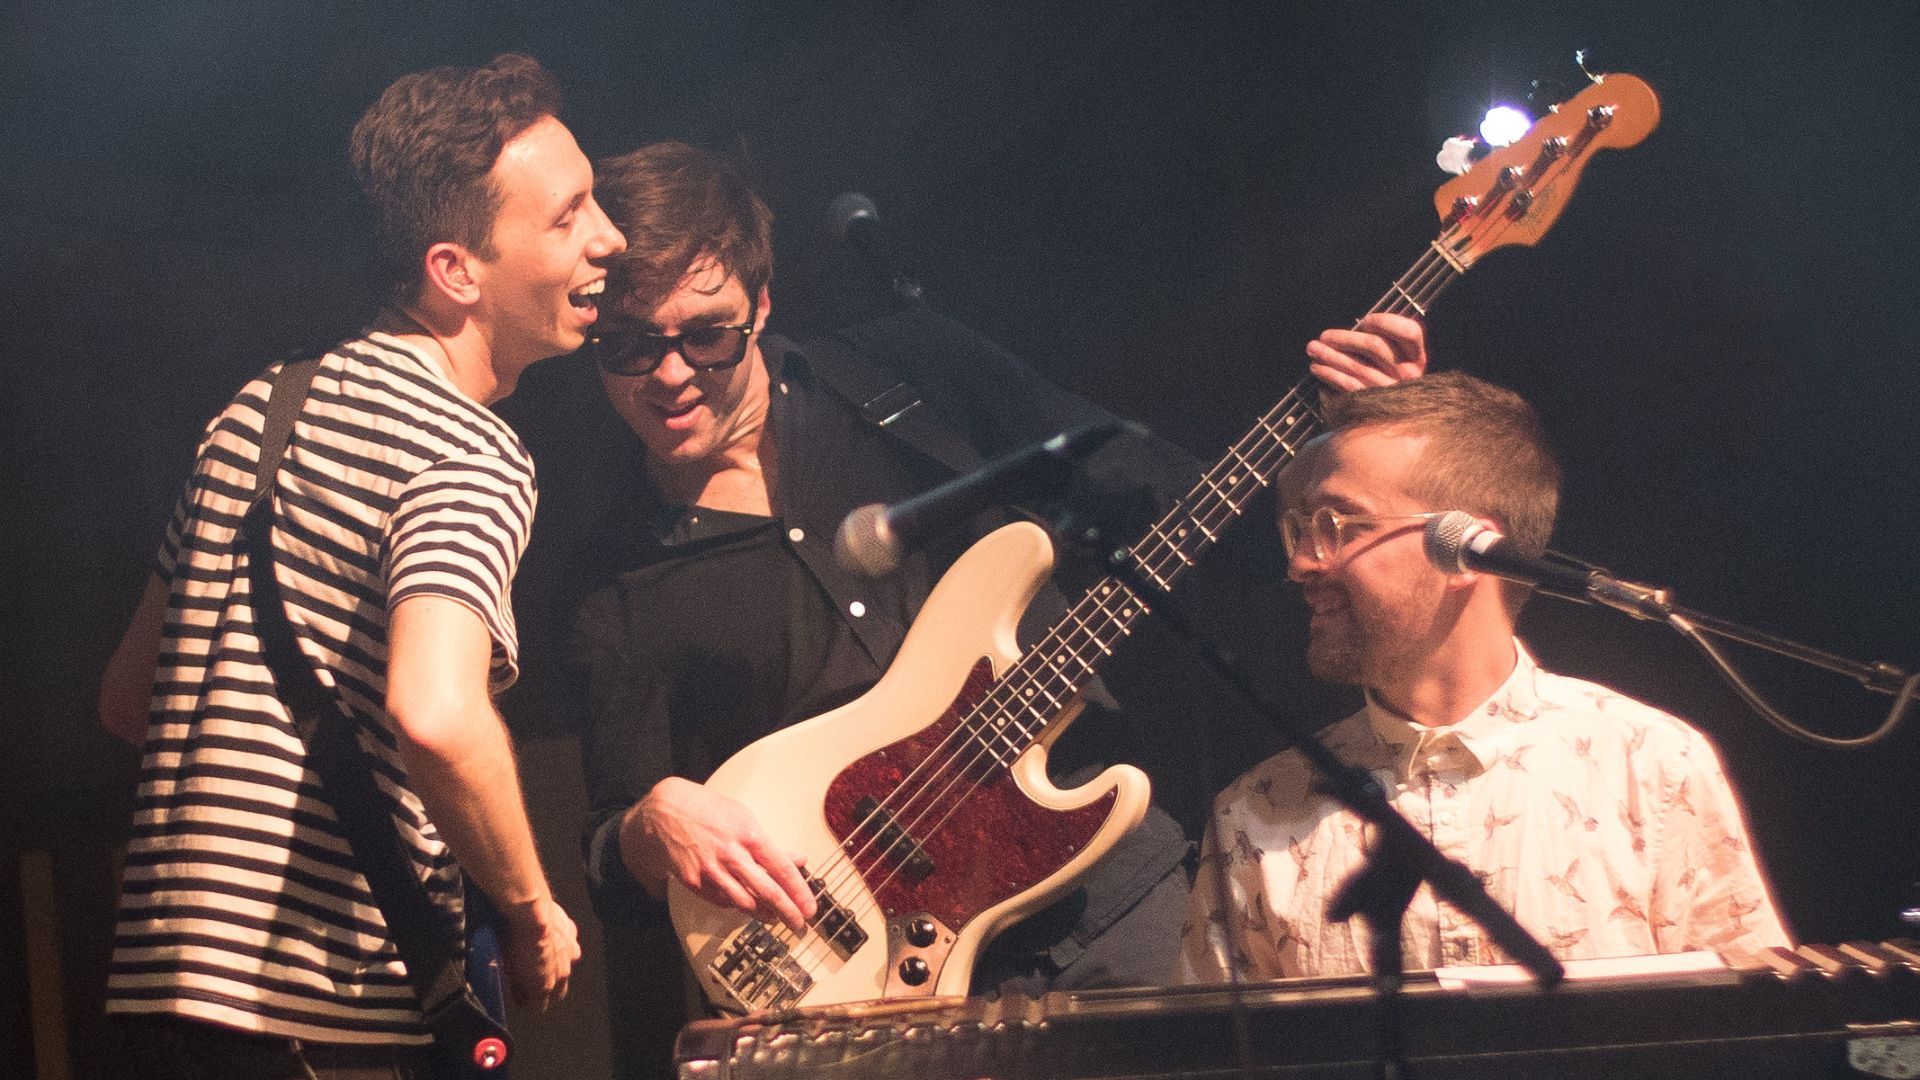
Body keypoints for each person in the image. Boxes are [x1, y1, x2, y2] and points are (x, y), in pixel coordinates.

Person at [555, 140, 1427, 1078]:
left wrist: (1355, 439)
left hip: (1110, 911)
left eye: (708, 335)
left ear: (762, 306)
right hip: (871, 997)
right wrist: (650, 825)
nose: (671, 374)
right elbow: (615, 856)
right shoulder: (613, 574)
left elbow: (1182, 510)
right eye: (629, 346)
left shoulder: (913, 383)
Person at [96, 54, 625, 1077]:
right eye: (568, 218)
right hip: (312, 1018)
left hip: (164, 1002)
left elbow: (129, 699)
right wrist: (529, 906)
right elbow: (436, 713)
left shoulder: (257, 413)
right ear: (456, 271)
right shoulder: (462, 448)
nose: (608, 238)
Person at [1177, 371, 1791, 983]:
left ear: (1467, 549)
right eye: (1299, 530)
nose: (1303, 563)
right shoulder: (1255, 814)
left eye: (1342, 525)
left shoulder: (1651, 765)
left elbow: (1760, 1030)